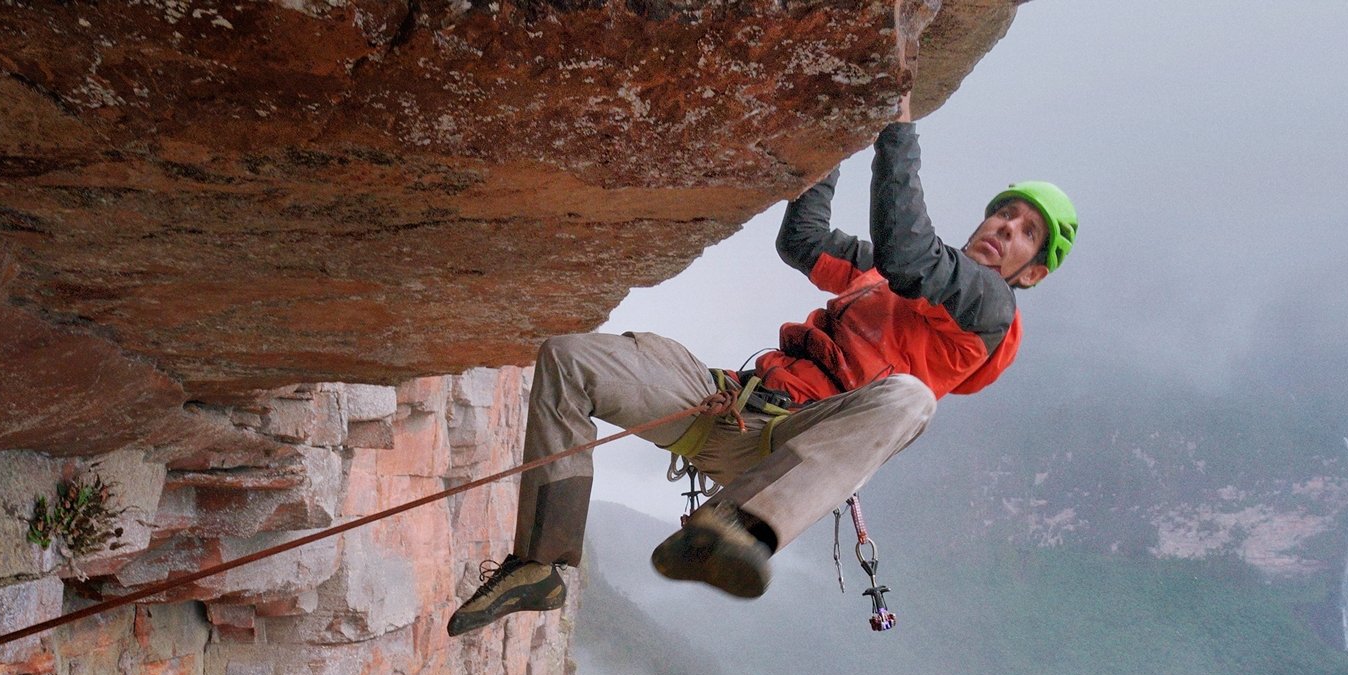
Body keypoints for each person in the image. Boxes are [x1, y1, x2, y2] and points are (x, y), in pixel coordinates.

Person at [446, 94, 1077, 638]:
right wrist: (836, 138)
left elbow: (911, 254)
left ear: (1034, 272)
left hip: (787, 447)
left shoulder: (988, 310)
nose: (1006, 228)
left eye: (1025, 233)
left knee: (911, 399)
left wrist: (894, 122)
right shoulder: (883, 274)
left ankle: (741, 525)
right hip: (733, 405)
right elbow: (803, 241)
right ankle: (539, 564)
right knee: (569, 359)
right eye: (1006, 213)